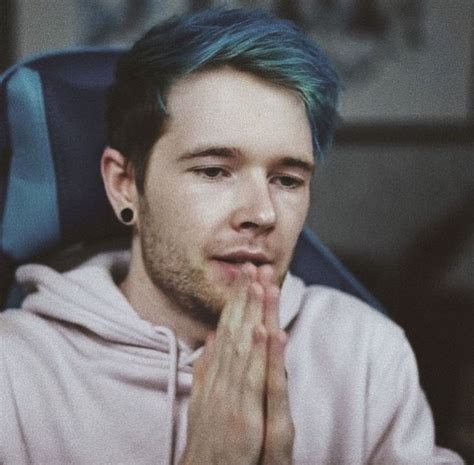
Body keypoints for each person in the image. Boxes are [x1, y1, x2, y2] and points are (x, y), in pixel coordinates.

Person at [0, 8, 464, 465]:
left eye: (287, 179)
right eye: (214, 171)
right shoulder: (14, 370)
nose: (261, 213)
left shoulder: (366, 353)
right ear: (125, 183)